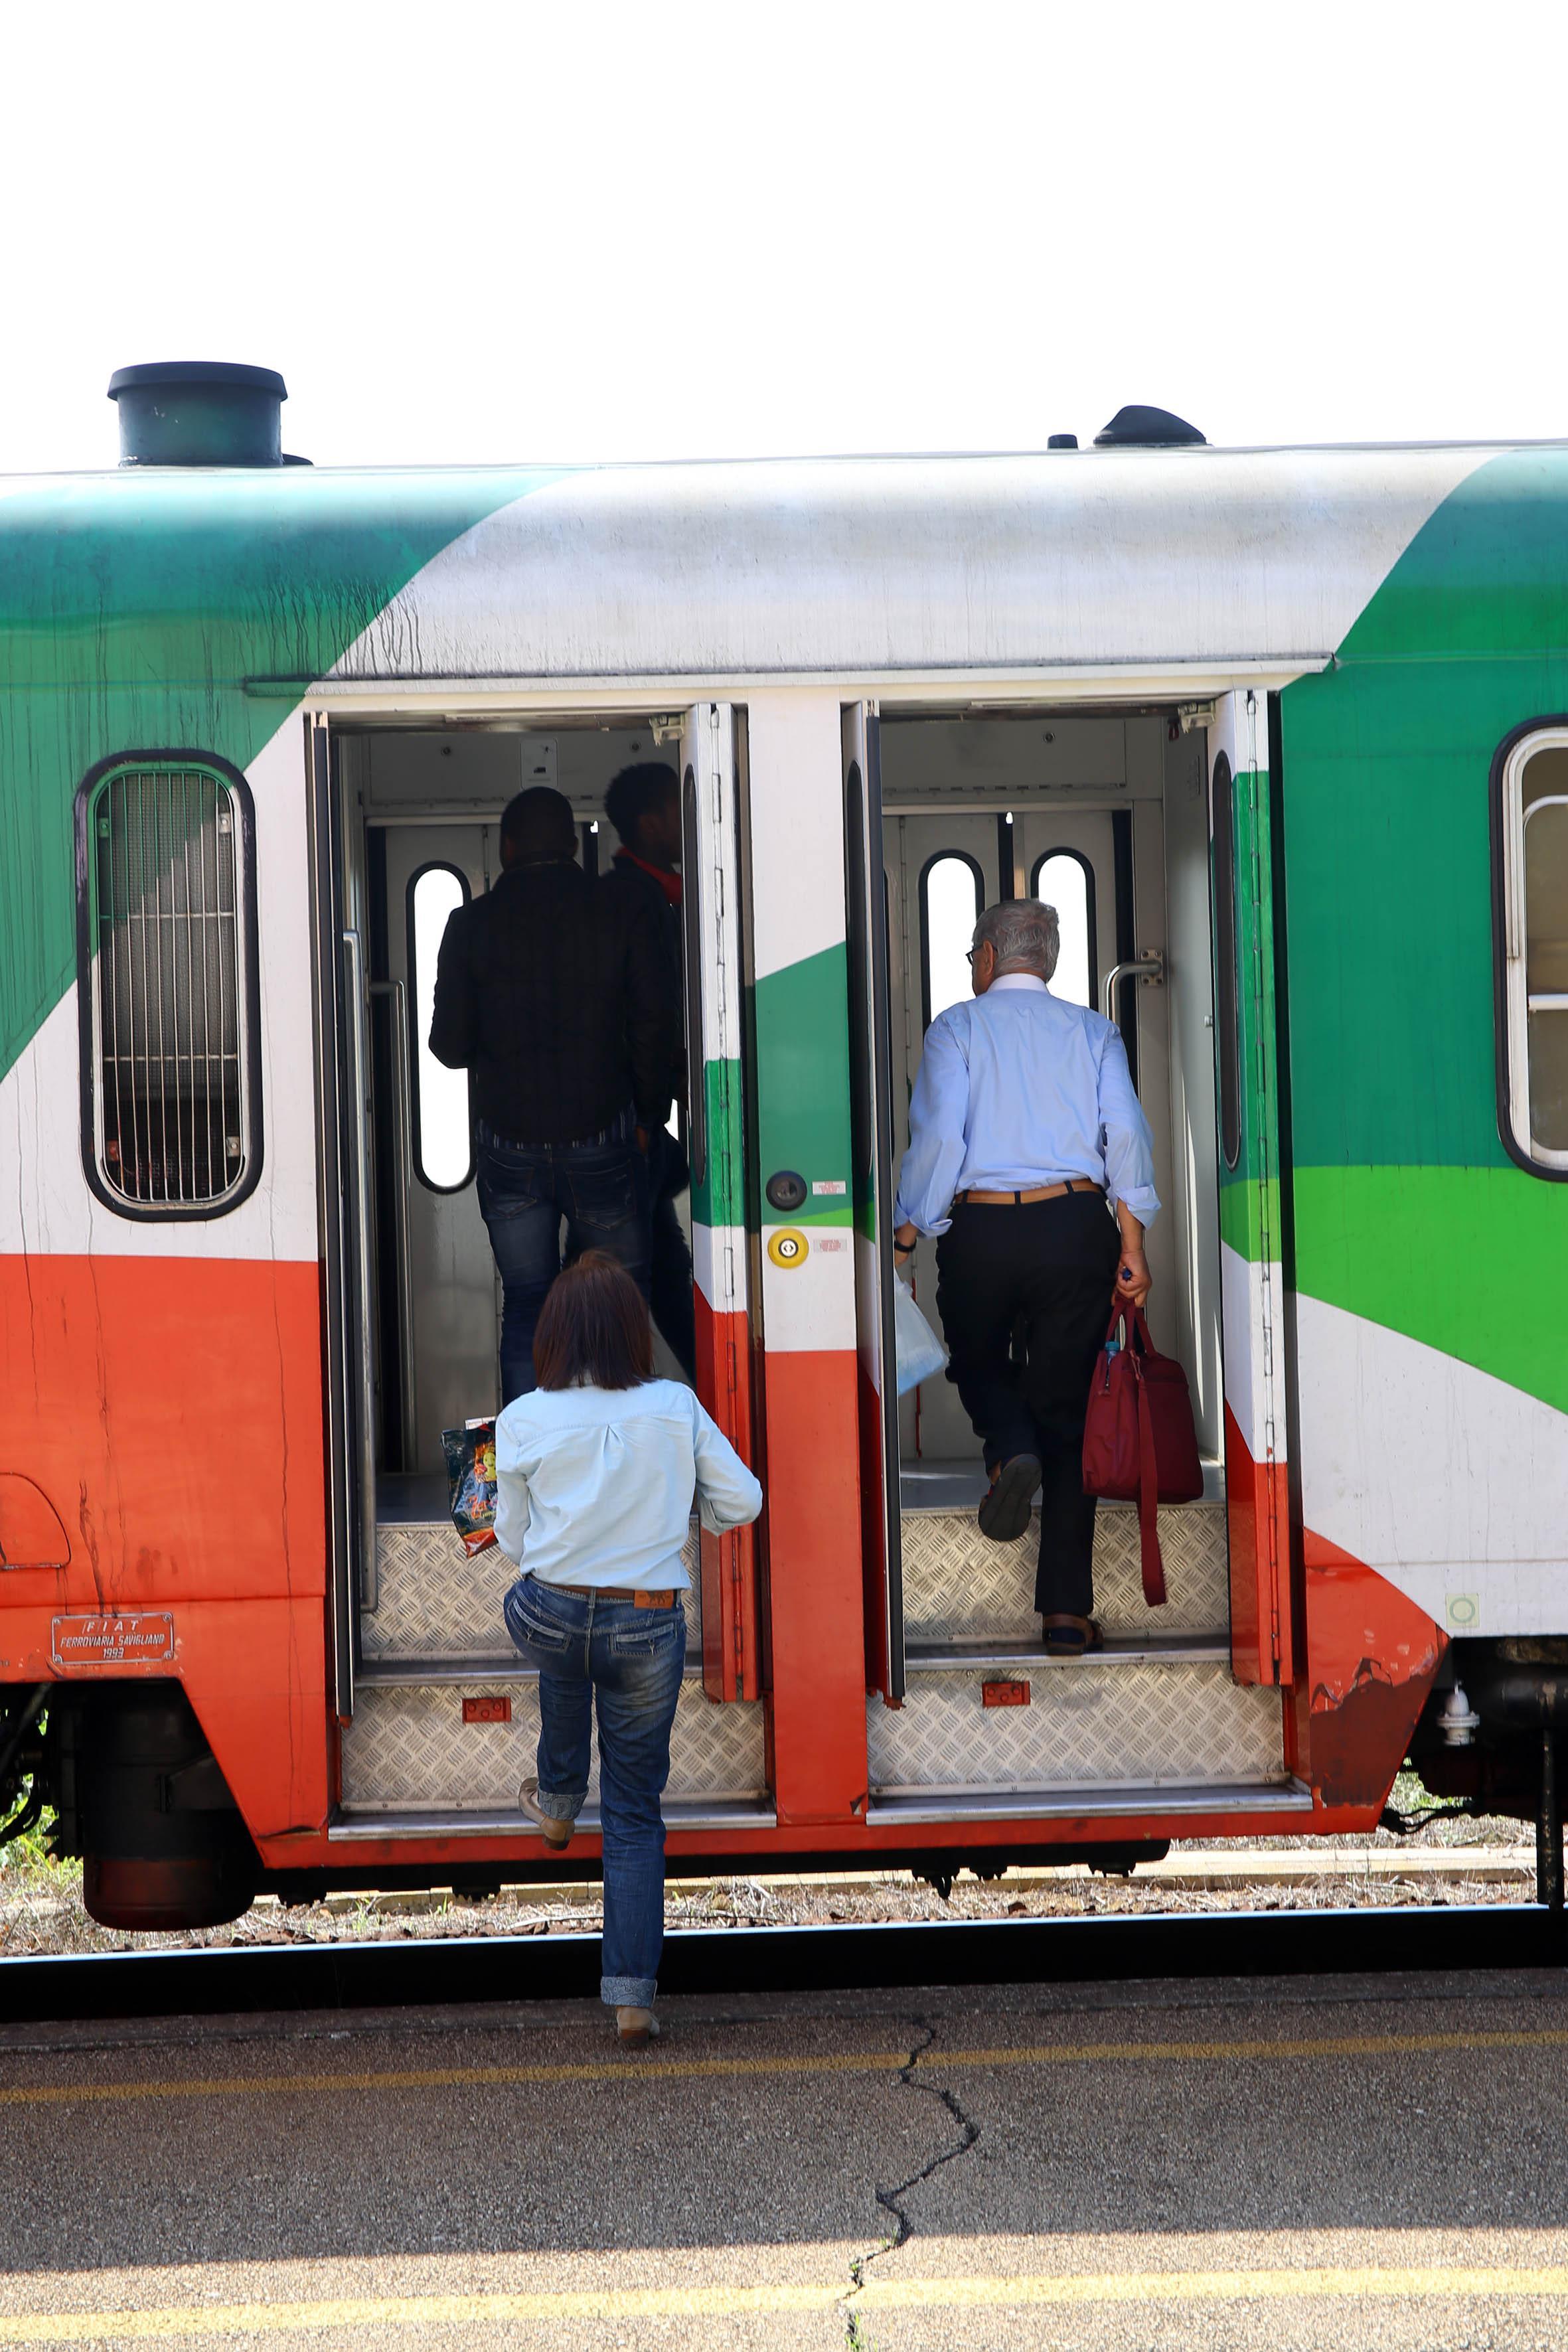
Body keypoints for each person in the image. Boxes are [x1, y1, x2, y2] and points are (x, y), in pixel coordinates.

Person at [495, 1251, 763, 2044]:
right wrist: (692, 1523)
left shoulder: (522, 1417)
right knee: (636, 1816)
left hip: (550, 1614)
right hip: (646, 1624)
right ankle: (632, 2000)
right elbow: (742, 1501)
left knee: (564, 1644)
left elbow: (508, 1536)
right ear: (631, 1334)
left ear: (552, 1338)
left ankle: (555, 1799)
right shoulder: (676, 1406)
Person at [892, 898, 1159, 1658]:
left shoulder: (956, 1028)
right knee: (1072, 1411)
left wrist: (909, 1231)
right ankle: (1066, 1615)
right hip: (1075, 1227)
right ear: (1048, 961)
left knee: (975, 1361)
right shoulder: (1092, 1030)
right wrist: (1130, 1246)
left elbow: (942, 1137)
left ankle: (1009, 1449)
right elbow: (1125, 1138)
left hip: (980, 1229)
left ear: (984, 956)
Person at [428, 785, 680, 1405]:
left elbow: (448, 1047)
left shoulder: (469, 924)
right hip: (606, 1141)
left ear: (508, 847)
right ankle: (619, 1460)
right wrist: (648, 1117)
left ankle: (528, 1466)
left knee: (527, 1307)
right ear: (573, 844)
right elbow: (655, 1026)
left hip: (509, 1150)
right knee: (619, 1304)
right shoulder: (620, 911)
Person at [601, 761, 696, 1381]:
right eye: (676, 809)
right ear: (648, 822)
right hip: (635, 1121)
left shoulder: (659, 894)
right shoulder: (633, 901)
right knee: (640, 1274)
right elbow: (648, 1013)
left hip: (644, 1122)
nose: (686, 824)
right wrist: (649, 1112)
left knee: (664, 1266)